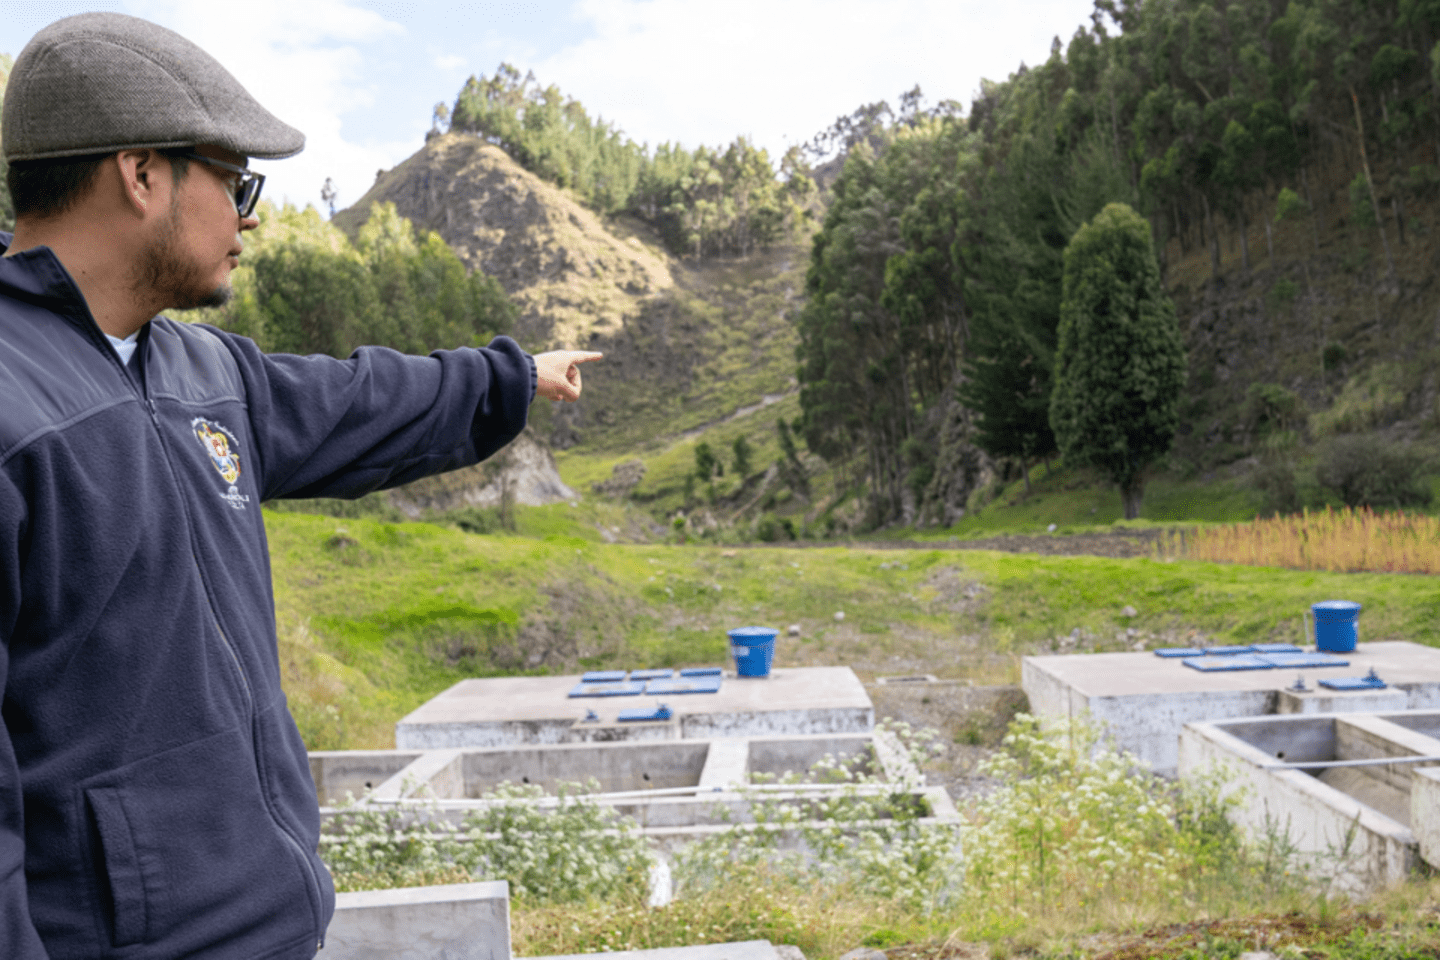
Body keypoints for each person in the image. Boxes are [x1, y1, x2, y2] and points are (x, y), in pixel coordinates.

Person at [0, 12, 600, 959]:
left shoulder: (201, 371)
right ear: (141, 173)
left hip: (276, 930)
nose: (249, 216)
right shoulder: (12, 406)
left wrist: (511, 379)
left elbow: (359, 402)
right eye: (236, 181)